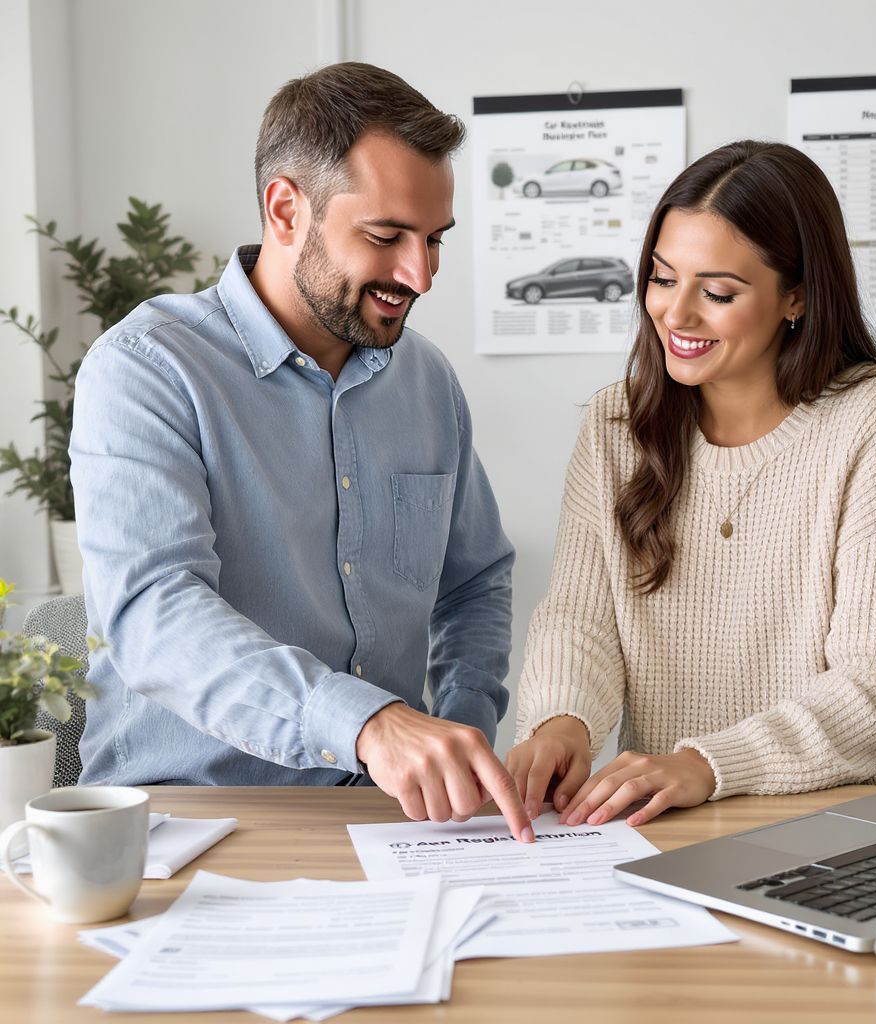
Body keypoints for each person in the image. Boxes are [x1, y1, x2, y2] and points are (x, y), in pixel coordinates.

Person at [69, 62, 533, 842]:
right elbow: (155, 614)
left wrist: (457, 733)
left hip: (386, 820)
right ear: (286, 210)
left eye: (433, 240)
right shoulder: (148, 368)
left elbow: (474, 582)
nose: (420, 276)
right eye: (386, 237)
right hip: (192, 819)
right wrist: (368, 724)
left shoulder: (425, 379)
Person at [507, 140, 876, 830]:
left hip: (862, 813)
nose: (676, 314)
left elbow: (875, 683)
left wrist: (708, 765)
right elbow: (579, 617)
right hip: (675, 818)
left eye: (717, 293)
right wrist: (562, 722)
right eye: (662, 279)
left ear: (796, 296)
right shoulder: (616, 423)